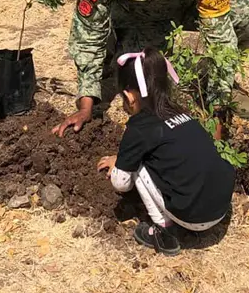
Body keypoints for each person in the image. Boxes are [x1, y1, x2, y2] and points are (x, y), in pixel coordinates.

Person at [53, 0, 249, 137]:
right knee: (143, 81)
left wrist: (218, 110)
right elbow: (88, 31)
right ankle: (113, 60)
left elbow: (220, 36)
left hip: (183, 9)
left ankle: (218, 82)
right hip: (136, 17)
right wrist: (85, 105)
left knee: (243, 15)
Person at [97, 48, 235, 256]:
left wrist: (121, 163)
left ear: (128, 96)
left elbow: (121, 183)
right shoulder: (182, 114)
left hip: (195, 217)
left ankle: (164, 231)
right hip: (220, 206)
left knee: (139, 164)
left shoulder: (139, 128)